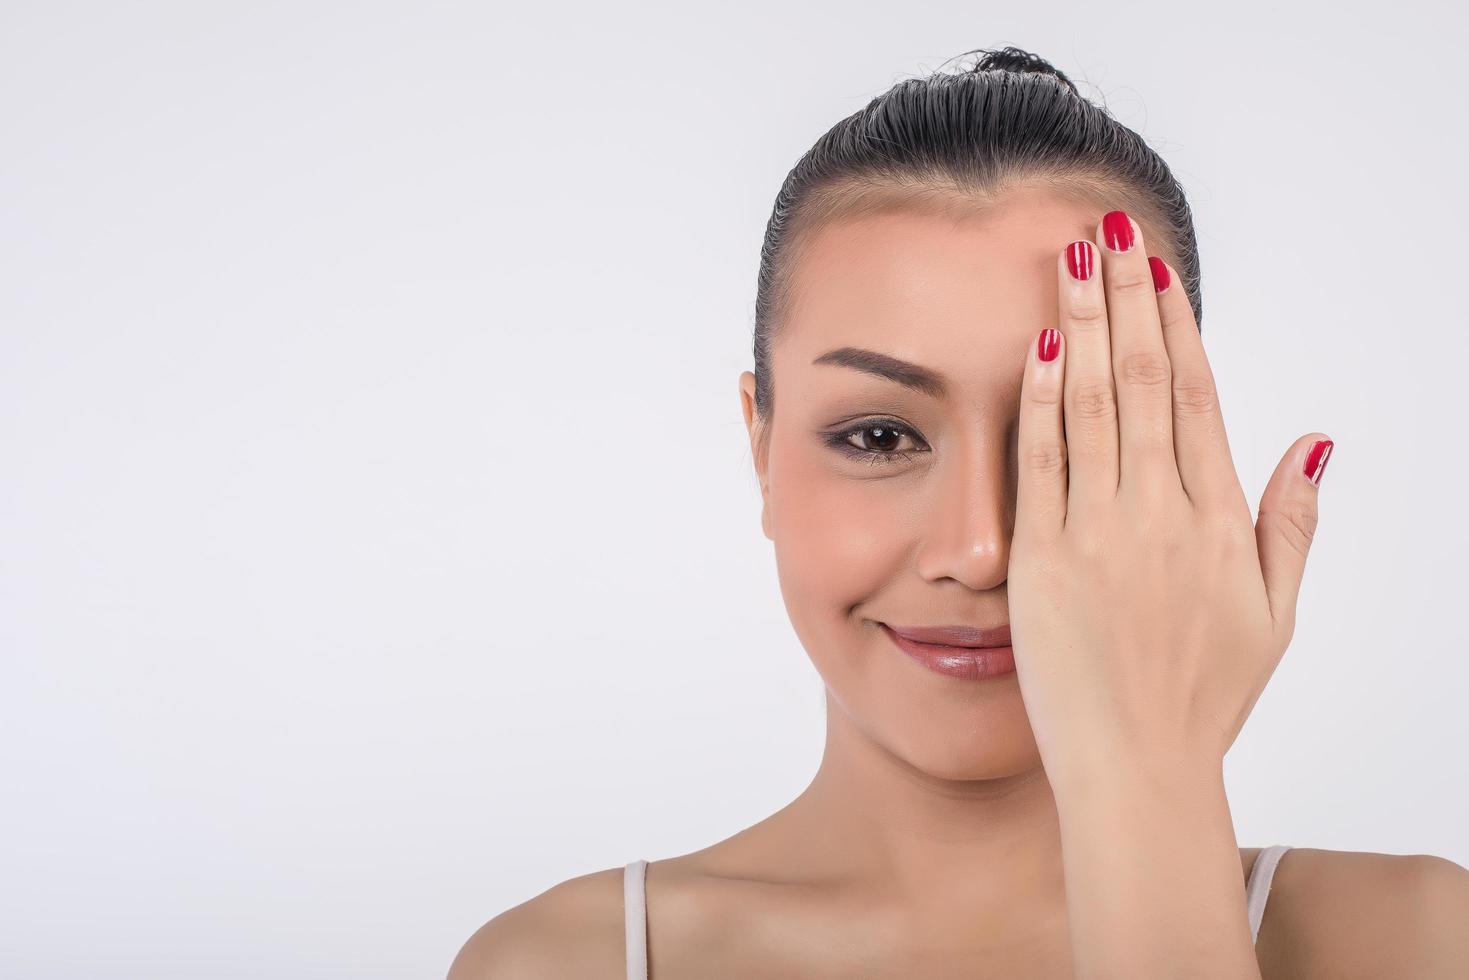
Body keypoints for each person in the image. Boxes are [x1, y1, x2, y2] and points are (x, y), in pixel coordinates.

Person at [449, 46, 1469, 978]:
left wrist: (1151, 784)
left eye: (1068, 435)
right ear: (759, 446)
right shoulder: (563, 960)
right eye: (881, 437)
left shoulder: (1414, 938)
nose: (980, 547)